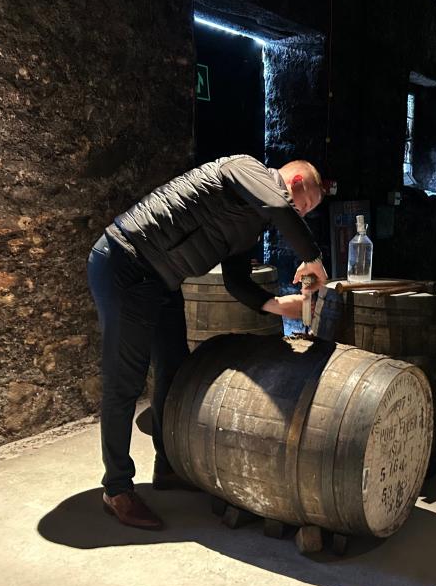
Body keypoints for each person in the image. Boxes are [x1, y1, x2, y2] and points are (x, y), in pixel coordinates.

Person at [87, 155, 328, 530]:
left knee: (174, 367)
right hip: (125, 262)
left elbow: (235, 280)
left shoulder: (253, 223)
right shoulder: (244, 169)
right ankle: (116, 489)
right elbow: (280, 205)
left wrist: (280, 306)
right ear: (296, 182)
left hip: (160, 279)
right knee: (125, 381)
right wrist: (313, 258)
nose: (303, 213)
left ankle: (167, 467)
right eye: (307, 204)